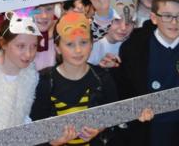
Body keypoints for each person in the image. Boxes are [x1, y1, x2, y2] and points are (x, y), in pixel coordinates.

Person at [31, 11, 153, 146]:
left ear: (91, 44)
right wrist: (53, 142)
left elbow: (113, 117)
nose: (78, 50)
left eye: (83, 42)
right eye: (70, 44)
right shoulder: (45, 83)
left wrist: (100, 128)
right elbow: (35, 133)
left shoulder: (102, 78)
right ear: (57, 48)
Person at [113, 0, 179, 146]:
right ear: (153, 17)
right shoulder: (133, 48)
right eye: (167, 16)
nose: (174, 22)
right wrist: (133, 110)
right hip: (148, 128)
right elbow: (123, 89)